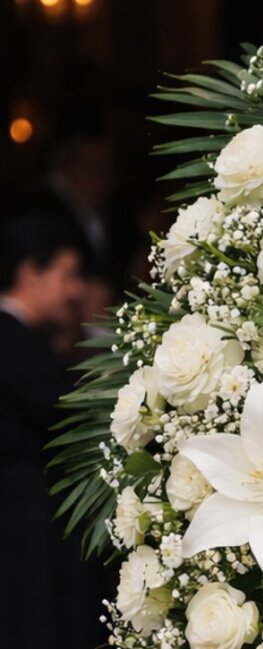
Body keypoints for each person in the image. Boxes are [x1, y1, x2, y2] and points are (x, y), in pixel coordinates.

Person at [0, 213, 106, 648]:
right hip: (21, 531)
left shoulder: (25, 340)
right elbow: (63, 412)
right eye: (67, 275)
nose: (75, 290)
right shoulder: (9, 339)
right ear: (31, 272)